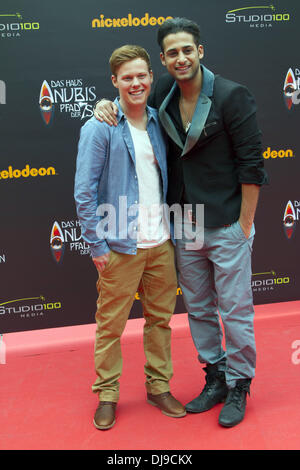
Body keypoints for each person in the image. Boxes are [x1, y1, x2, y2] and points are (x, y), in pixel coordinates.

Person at [94, 18, 268, 428]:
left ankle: (241, 383)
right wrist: (105, 106)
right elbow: (128, 98)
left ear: (200, 51)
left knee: (236, 310)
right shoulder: (161, 92)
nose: (181, 57)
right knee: (200, 311)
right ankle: (217, 377)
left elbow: (253, 166)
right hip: (184, 225)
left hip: (226, 223)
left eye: (187, 49)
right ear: (164, 60)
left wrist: (244, 226)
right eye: (172, 52)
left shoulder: (231, 95)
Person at [74, 44, 186, 430]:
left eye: (142, 75)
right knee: (110, 325)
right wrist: (96, 244)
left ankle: (158, 386)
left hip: (161, 244)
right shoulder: (100, 126)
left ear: (151, 78)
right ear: (115, 82)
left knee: (161, 321)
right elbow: (84, 192)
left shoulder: (159, 121)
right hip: (120, 246)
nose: (135, 83)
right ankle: (107, 393)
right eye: (127, 77)